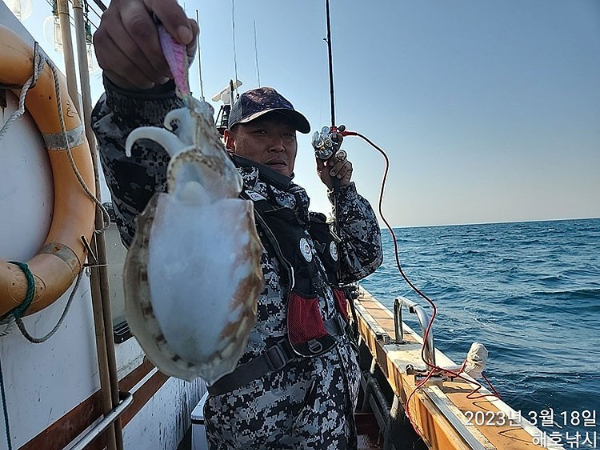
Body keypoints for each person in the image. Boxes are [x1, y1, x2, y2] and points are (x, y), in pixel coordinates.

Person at [92, 1, 383, 448]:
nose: (278, 145)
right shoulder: (218, 201)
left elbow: (361, 260)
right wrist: (139, 95)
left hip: (333, 430)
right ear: (229, 139)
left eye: (287, 135)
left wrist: (341, 189)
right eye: (261, 132)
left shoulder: (299, 219)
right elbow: (146, 190)